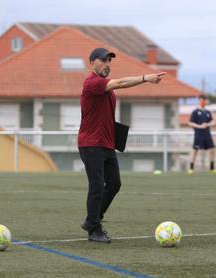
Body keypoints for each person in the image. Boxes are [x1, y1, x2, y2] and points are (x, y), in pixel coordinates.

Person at [78, 47, 166, 243]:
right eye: (103, 60)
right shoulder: (92, 83)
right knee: (97, 186)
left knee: (115, 184)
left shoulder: (106, 88)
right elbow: (122, 82)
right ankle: (93, 229)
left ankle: (92, 220)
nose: (107, 64)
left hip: (106, 144)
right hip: (91, 144)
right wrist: (145, 77)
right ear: (92, 62)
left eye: (110, 61)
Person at [188, 95, 216, 174]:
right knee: (195, 151)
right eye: (201, 100)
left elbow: (214, 122)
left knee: (212, 150)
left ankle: (212, 168)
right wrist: (199, 126)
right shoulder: (195, 112)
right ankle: (191, 168)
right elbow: (190, 123)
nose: (203, 101)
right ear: (199, 101)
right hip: (198, 135)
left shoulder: (208, 112)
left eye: (204, 100)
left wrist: (207, 124)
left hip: (207, 134)